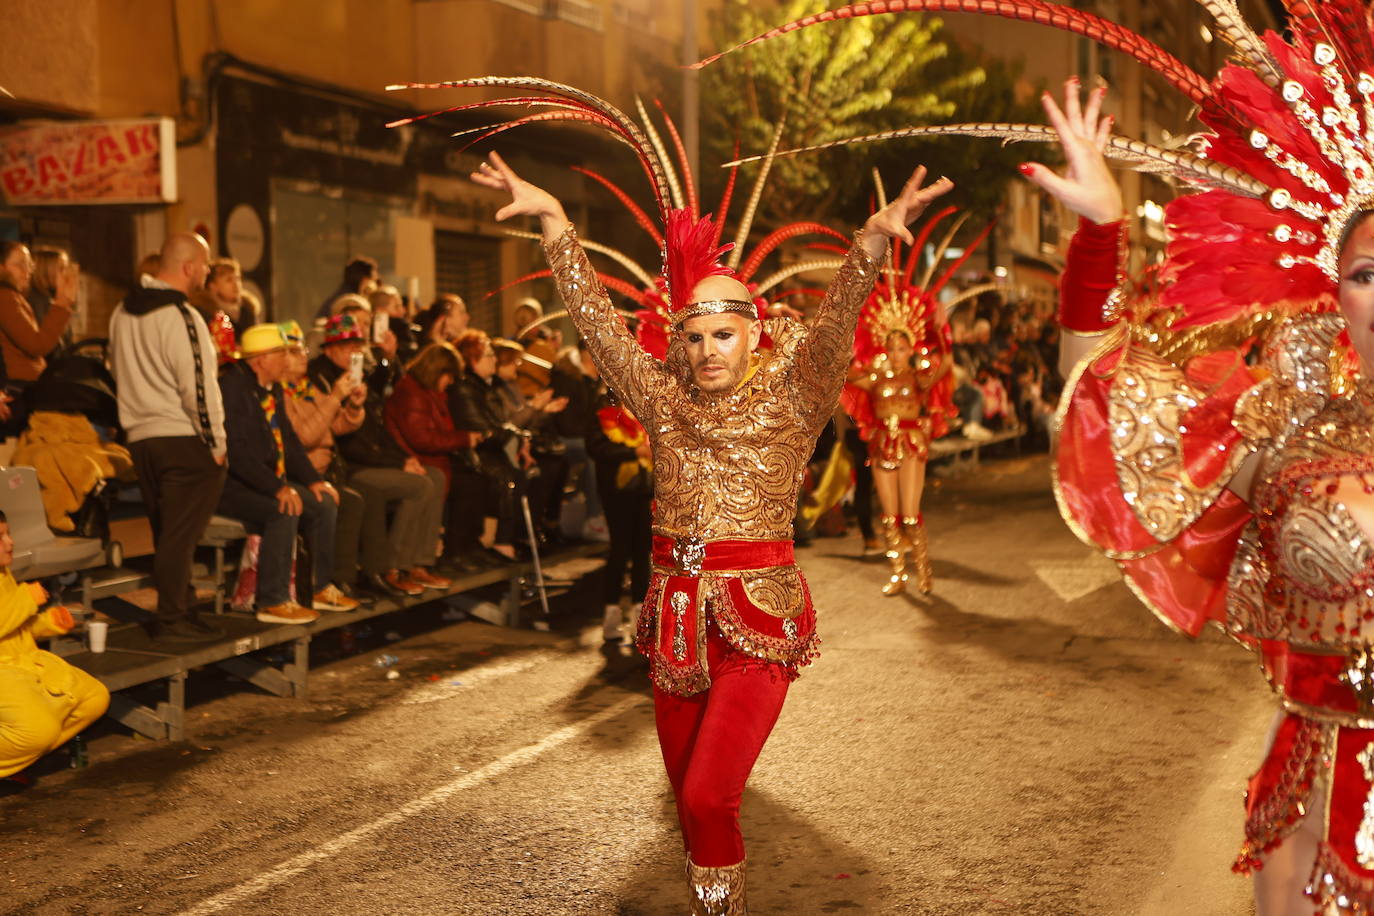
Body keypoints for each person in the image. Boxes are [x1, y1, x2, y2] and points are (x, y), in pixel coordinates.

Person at [472, 148, 949, 910]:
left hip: (757, 623)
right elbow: (599, 333)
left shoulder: (796, 398)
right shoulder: (663, 399)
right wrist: (556, 225)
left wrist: (869, 245)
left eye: (722, 336)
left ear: (753, 336)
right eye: (693, 339)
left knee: (706, 798)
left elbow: (831, 330)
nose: (705, 352)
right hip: (676, 623)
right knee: (686, 809)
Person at [109, 232, 228, 643]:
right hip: (180, 436)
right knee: (181, 534)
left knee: (167, 529)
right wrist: (217, 443)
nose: (209, 272)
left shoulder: (122, 312)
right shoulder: (183, 316)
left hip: (140, 438)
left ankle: (183, 605)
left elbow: (116, 371)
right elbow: (197, 386)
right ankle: (173, 618)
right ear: (189, 267)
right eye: (207, 264)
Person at [219, 322, 359, 623]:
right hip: (232, 485)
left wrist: (313, 480)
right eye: (282, 353)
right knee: (282, 508)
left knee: (323, 503)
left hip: (264, 479)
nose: (289, 359)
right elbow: (238, 454)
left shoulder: (272, 389)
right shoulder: (233, 390)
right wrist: (277, 488)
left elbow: (290, 442)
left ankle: (320, 588)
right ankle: (273, 600)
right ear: (260, 360)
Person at [309, 315, 450, 596]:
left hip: (370, 459)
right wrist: (399, 463)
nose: (355, 352)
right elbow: (347, 441)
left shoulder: (357, 377)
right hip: (349, 466)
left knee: (435, 475)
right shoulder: (322, 380)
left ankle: (419, 562)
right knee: (419, 485)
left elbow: (378, 427)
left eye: (358, 346)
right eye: (347, 346)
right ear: (328, 349)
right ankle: (393, 566)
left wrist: (405, 459)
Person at [0, 513, 109, 786]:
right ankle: (16, 757)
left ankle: (19, 759)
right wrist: (27, 598)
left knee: (94, 698)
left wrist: (50, 622)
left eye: (8, 533)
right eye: (0, 537)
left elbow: (13, 624)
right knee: (39, 731)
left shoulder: (4, 573)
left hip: (23, 662)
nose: (10, 542)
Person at [279, 323, 375, 604]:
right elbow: (304, 438)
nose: (303, 357)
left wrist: (354, 405)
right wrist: (335, 397)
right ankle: (327, 583)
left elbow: (337, 426)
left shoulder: (305, 388)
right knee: (341, 500)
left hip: (322, 471)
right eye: (295, 352)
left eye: (302, 351)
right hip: (298, 474)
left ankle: (345, 578)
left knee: (354, 499)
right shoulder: (281, 394)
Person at [383, 343, 486, 571]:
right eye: (449, 376)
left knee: (470, 480)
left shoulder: (428, 392)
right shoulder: (412, 394)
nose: (451, 382)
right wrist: (464, 440)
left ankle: (422, 561)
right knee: (436, 481)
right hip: (415, 459)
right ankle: (404, 563)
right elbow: (421, 439)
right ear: (438, 371)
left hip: (428, 459)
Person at [0, 240, 75, 384]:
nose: (28, 270)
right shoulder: (5, 298)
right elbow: (36, 345)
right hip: (19, 386)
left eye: (29, 264)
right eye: (20, 264)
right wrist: (61, 305)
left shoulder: (13, 296)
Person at [199, 257, 259, 340]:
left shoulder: (248, 309)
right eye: (229, 280)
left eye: (237, 278)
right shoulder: (205, 313)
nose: (236, 284)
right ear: (212, 286)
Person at [315, 256, 379, 321]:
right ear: (364, 278)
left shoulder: (345, 293)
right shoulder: (350, 301)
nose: (376, 278)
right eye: (372, 279)